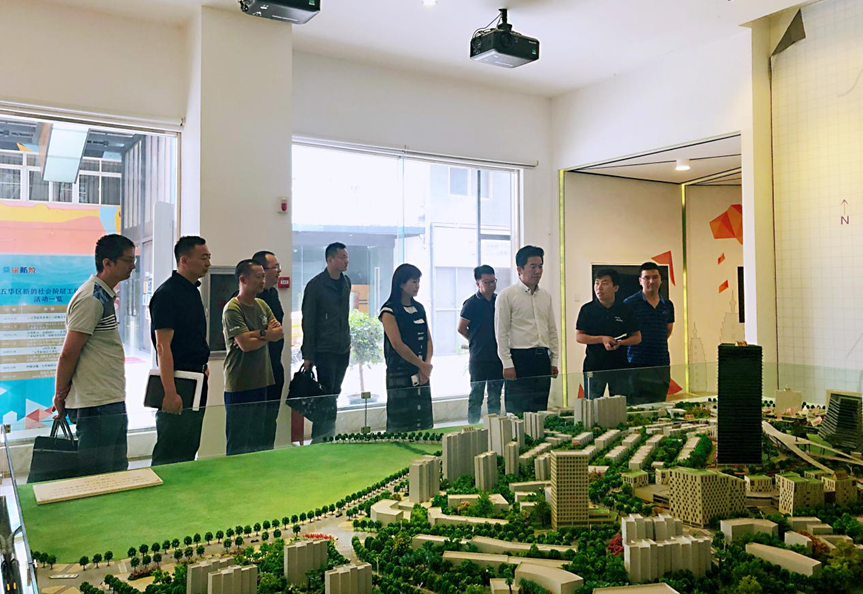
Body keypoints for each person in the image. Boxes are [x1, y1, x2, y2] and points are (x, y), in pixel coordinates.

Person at [53, 234, 136, 476]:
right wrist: (59, 395)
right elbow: (69, 353)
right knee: (97, 476)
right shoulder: (91, 298)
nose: (132, 266)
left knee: (116, 471)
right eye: (128, 260)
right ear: (107, 263)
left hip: (108, 399)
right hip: (96, 404)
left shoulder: (103, 294)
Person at [149, 236, 211, 466]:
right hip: (178, 379)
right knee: (171, 447)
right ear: (184, 260)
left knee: (189, 443)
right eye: (203, 258)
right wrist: (170, 391)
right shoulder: (167, 294)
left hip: (196, 378)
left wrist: (203, 367)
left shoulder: (192, 291)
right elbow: (163, 346)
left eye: (209, 257)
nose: (208, 263)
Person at [222, 259, 283, 456]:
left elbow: (279, 333)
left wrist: (257, 334)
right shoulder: (233, 308)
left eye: (263, 276)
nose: (262, 281)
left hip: (262, 381)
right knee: (239, 441)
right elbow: (245, 345)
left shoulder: (262, 305)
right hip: (240, 383)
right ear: (243, 279)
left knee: (258, 438)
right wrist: (267, 335)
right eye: (258, 277)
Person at [495, 245, 560, 414]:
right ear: (520, 269)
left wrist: (554, 360)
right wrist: (507, 363)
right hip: (519, 359)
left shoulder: (545, 296)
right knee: (518, 412)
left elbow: (551, 330)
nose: (538, 271)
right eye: (533, 266)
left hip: (542, 358)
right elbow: (501, 333)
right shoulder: (507, 295)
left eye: (540, 266)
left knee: (540, 411)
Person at [301, 242, 352, 443]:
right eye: (342, 257)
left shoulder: (346, 282)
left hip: (342, 348)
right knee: (325, 395)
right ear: (330, 260)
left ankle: (328, 436)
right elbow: (309, 321)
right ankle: (321, 438)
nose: (346, 260)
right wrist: (308, 355)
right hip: (324, 349)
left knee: (334, 394)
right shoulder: (316, 285)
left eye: (346, 257)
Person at [379, 264, 434, 432]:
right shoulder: (389, 310)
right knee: (401, 421)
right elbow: (397, 344)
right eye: (413, 282)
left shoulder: (419, 308)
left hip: (422, 372)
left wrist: (426, 365)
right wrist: (421, 365)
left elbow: (428, 339)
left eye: (418, 282)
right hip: (400, 372)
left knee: (423, 419)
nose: (417, 286)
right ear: (401, 284)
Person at [576, 268, 642, 400]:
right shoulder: (587, 309)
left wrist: (621, 343)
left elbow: (637, 337)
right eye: (597, 283)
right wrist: (602, 339)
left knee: (620, 405)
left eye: (605, 283)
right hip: (594, 366)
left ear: (615, 288)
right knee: (592, 405)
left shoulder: (625, 309)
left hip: (619, 366)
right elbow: (579, 336)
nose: (599, 287)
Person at [624, 262, 675, 404]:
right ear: (640, 281)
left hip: (661, 362)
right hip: (636, 363)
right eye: (647, 277)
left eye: (655, 277)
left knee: (659, 404)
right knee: (636, 405)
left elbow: (667, 330)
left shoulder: (668, 305)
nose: (651, 281)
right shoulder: (629, 304)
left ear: (660, 280)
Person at [458, 265, 503, 424]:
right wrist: (475, 340)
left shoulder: (499, 301)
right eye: (487, 282)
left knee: (495, 395)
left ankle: (494, 426)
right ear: (478, 283)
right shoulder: (471, 303)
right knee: (476, 395)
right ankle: (473, 425)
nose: (491, 285)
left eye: (493, 281)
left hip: (497, 357)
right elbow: (461, 328)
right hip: (478, 357)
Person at [251, 250, 286, 450]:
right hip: (254, 372)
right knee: (253, 425)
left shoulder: (273, 293)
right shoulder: (245, 299)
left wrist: (269, 333)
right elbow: (245, 337)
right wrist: (267, 334)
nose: (279, 271)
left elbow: (278, 329)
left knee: (269, 422)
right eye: (275, 267)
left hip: (274, 366)